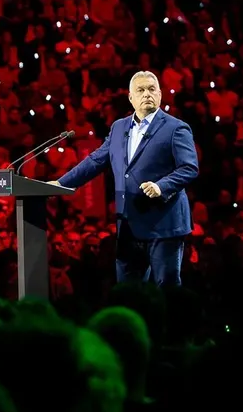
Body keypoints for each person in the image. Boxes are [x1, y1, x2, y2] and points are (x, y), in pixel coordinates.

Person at [50, 71, 198, 286]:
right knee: (129, 292)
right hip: (128, 224)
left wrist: (162, 186)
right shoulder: (119, 127)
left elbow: (189, 167)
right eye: (140, 90)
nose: (147, 94)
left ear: (160, 94)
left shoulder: (176, 128)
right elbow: (95, 160)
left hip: (164, 225)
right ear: (131, 98)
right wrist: (61, 183)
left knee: (166, 291)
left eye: (151, 89)